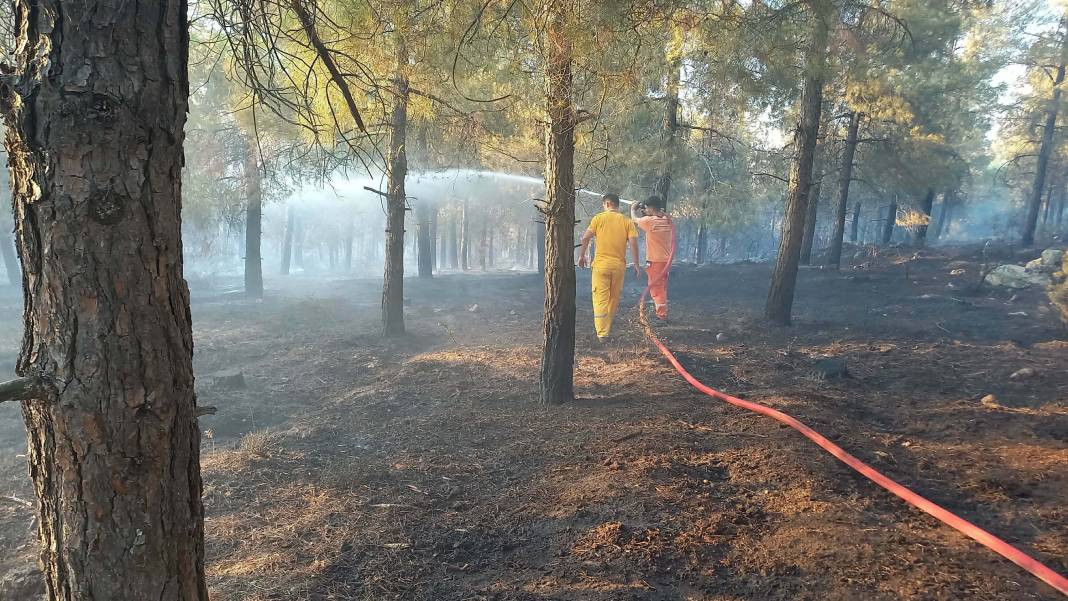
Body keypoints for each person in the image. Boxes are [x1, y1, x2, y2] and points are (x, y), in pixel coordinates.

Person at [578, 194, 640, 342]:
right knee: (613, 298)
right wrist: (637, 264)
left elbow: (586, 237)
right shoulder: (627, 221)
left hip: (600, 266)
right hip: (618, 266)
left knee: (600, 298)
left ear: (607, 204)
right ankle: (606, 328)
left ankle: (602, 334)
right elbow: (633, 243)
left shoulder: (598, 218)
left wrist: (582, 256)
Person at [632, 195, 675, 320]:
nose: (645, 211)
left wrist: (633, 209)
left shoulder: (649, 221)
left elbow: (635, 219)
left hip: (655, 261)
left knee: (656, 288)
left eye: (647, 209)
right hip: (666, 261)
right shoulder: (667, 220)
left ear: (650, 208)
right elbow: (660, 215)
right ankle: (662, 311)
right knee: (662, 287)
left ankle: (661, 316)